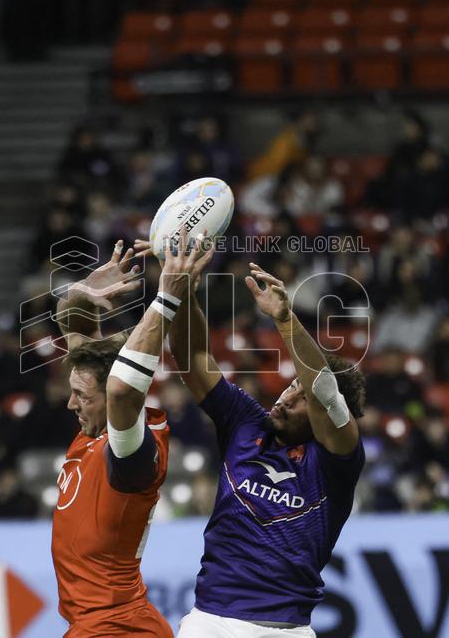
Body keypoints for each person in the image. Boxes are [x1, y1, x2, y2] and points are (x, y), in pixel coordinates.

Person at [137, 236, 366, 636]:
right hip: (211, 622)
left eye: (300, 397)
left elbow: (324, 392)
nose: (285, 397)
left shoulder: (337, 459)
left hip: (286, 630)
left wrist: (285, 319)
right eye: (289, 387)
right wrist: (184, 289)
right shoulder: (247, 423)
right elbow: (192, 358)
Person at [50, 235, 213, 637]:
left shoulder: (133, 452)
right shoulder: (94, 425)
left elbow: (124, 388)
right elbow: (74, 330)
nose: (71, 404)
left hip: (118, 629)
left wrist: (167, 297)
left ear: (109, 398)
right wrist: (80, 294)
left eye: (82, 396)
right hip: (95, 625)